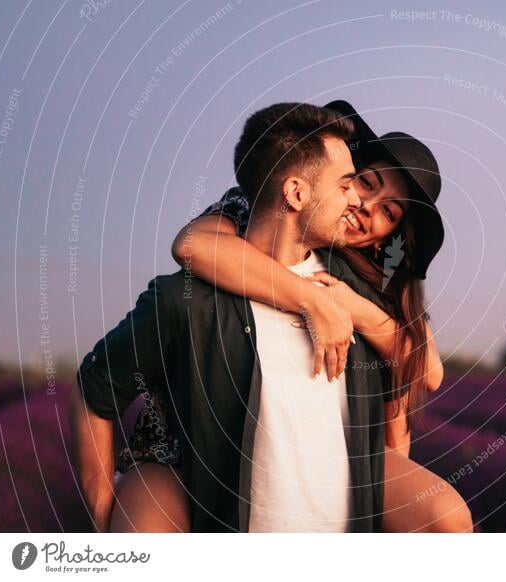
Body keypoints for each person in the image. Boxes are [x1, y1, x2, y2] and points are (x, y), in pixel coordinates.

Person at [108, 101, 473, 533]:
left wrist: (355, 309)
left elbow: (424, 376)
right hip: (189, 439)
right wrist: (310, 298)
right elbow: (195, 245)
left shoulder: (383, 282)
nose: (365, 206)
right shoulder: (266, 212)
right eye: (364, 183)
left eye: (389, 212)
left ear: (392, 234)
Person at [69, 102, 389, 532]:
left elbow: (417, 364)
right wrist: (105, 515)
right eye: (347, 184)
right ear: (295, 193)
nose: (357, 200)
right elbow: (95, 388)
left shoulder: (355, 286)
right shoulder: (186, 301)